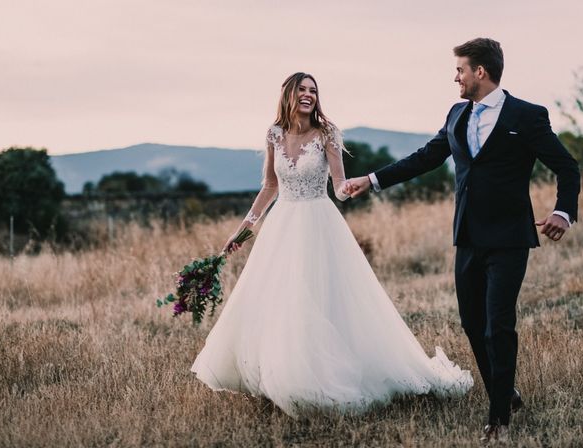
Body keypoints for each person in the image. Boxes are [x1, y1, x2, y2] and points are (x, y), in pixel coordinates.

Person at [191, 72, 473, 418]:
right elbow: (269, 186)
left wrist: (349, 189)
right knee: (280, 300)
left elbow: (338, 184)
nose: (308, 95)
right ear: (289, 95)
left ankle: (320, 379)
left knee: (320, 298)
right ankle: (277, 375)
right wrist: (245, 228)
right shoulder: (274, 134)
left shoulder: (327, 134)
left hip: (319, 222)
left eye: (313, 90)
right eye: (302, 90)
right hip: (282, 225)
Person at [345, 38, 581, 443]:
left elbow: (566, 166)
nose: (455, 76)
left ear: (480, 72)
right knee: (473, 324)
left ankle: (499, 420)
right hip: (468, 237)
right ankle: (506, 393)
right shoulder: (456, 113)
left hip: (509, 238)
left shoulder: (526, 115)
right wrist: (372, 179)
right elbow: (426, 156)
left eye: (460, 69)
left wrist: (563, 211)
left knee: (498, 326)